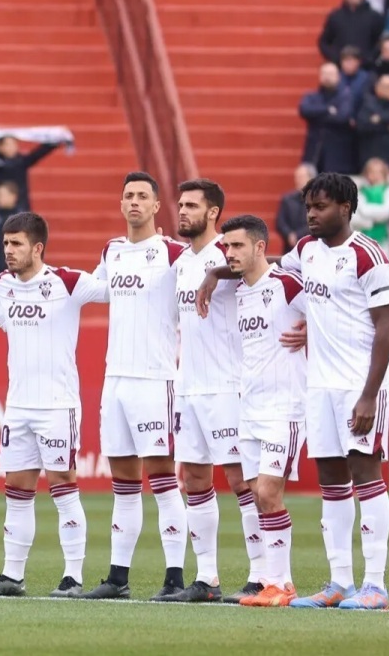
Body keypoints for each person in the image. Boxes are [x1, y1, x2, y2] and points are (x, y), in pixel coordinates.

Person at [199, 172, 389, 611]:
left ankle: (376, 585)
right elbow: (259, 270)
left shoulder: (368, 257)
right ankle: (339, 583)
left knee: (366, 476)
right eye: (308, 205)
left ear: (345, 208)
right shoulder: (305, 252)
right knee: (332, 482)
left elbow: (387, 328)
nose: (310, 213)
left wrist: (369, 395)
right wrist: (216, 272)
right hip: (318, 387)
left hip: (357, 386)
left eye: (321, 206)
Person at [0, 212, 104, 599]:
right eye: (6, 244)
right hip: (18, 407)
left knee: (63, 486)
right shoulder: (2, 285)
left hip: (58, 406)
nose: (8, 252)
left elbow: (115, 290)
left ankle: (73, 577)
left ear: (37, 247)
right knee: (17, 488)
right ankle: (12, 576)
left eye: (17, 245)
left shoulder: (68, 282)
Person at [79, 172, 191, 602]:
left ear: (157, 205)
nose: (134, 202)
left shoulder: (173, 252)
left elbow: (216, 266)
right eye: (128, 195)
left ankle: (175, 577)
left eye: (143, 196)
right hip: (116, 381)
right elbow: (97, 289)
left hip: (155, 378)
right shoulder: (112, 251)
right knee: (123, 482)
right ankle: (117, 577)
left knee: (162, 478)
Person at [155, 180, 266, 604]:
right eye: (180, 204)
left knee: (240, 479)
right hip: (189, 387)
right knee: (195, 478)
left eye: (192, 206)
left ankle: (260, 574)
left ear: (214, 212)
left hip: (227, 386)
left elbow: (261, 269)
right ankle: (207, 578)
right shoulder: (183, 261)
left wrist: (217, 272)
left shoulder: (230, 253)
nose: (182, 211)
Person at [219, 214, 308, 608]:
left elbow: (333, 309)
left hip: (285, 407)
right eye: (226, 246)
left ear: (259, 247)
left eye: (237, 245)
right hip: (250, 408)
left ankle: (282, 583)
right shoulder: (238, 292)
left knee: (270, 491)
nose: (229, 253)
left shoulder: (287, 284)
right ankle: (274, 583)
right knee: (257, 495)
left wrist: (313, 328)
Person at [299, 63, 357, 175]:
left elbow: (343, 117)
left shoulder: (346, 97)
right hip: (314, 151)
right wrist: (328, 109)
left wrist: (317, 116)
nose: (327, 77)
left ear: (338, 77)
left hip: (338, 154)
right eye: (324, 74)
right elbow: (305, 110)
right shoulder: (311, 96)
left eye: (331, 74)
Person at [319, 0, 385, 64]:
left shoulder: (375, 17)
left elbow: (380, 42)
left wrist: (369, 59)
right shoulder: (335, 16)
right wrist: (336, 58)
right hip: (340, 69)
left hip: (366, 70)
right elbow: (323, 42)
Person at [277, 163, 316, 253]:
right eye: (296, 177)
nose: (297, 180)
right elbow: (280, 222)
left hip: (311, 247)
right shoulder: (287, 199)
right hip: (290, 248)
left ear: (311, 179)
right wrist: (289, 234)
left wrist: (298, 235)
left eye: (301, 177)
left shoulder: (317, 201)